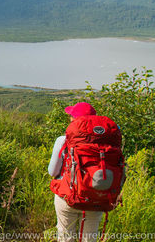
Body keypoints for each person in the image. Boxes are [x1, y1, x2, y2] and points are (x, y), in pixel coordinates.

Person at [48, 102, 103, 242]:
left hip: (68, 196)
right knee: (89, 238)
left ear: (73, 120)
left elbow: (52, 171)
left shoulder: (63, 140)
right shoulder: (105, 142)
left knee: (66, 237)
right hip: (96, 198)